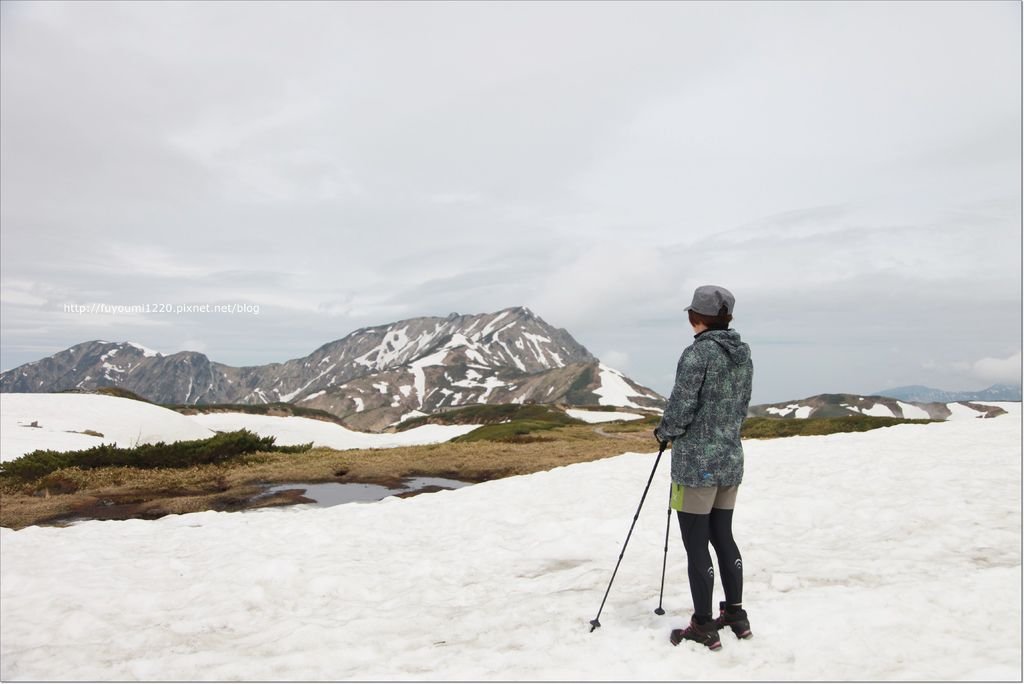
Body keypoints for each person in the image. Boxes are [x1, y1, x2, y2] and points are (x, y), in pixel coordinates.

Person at [654, 285, 754, 651]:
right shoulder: (743, 354)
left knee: (696, 544)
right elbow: (740, 405)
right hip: (730, 459)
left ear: (696, 318)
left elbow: (681, 406)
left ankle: (703, 625)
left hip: (696, 467)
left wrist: (664, 433)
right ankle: (736, 615)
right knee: (722, 536)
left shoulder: (697, 355)